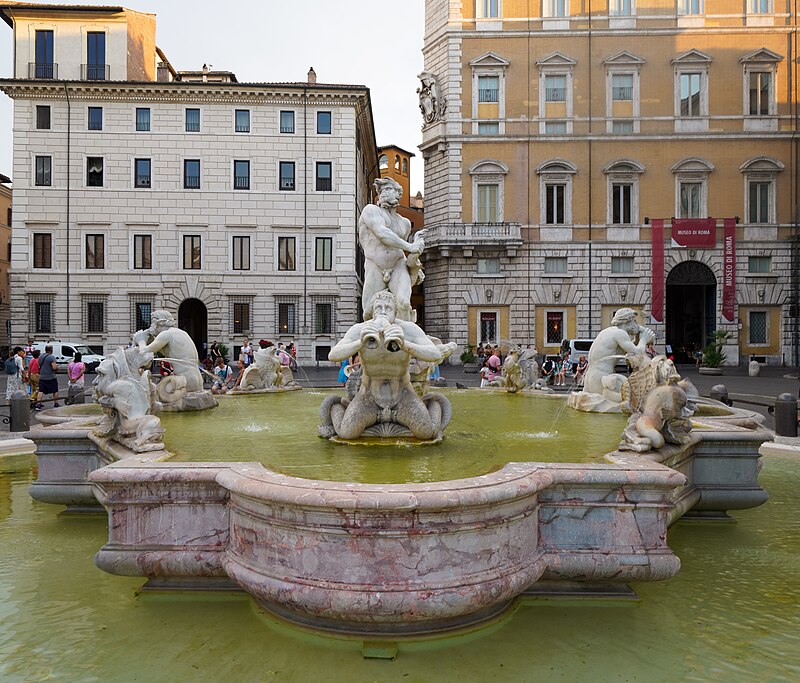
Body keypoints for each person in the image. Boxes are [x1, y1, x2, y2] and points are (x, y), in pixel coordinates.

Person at [359, 177, 424, 321]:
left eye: (388, 189)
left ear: (398, 194)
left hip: (398, 265)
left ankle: (404, 340)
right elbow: (383, 234)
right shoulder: (371, 211)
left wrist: (414, 267)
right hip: (375, 265)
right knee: (369, 312)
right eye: (382, 190)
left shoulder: (405, 223)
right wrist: (410, 246)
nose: (384, 193)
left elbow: (400, 247)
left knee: (403, 304)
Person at [583, 308, 655, 397]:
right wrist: (644, 339)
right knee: (631, 398)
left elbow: (628, 350)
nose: (636, 324)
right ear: (627, 322)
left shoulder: (609, 331)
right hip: (602, 380)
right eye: (634, 321)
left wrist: (637, 339)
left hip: (592, 378)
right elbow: (638, 354)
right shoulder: (620, 333)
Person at [36, 343, 59, 409]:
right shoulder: (51, 357)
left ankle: (38, 404)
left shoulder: (40, 356)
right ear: (51, 350)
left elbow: (39, 365)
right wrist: (57, 368)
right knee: (55, 390)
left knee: (41, 391)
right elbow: (54, 367)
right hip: (51, 377)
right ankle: (56, 403)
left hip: (42, 377)